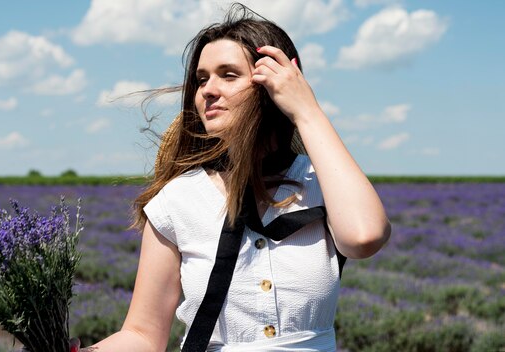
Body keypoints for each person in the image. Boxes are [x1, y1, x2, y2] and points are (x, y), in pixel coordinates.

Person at [85, 3, 391, 351]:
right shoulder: (177, 200)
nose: (207, 90)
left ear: (275, 85)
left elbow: (364, 237)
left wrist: (306, 110)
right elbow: (142, 334)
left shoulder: (321, 182)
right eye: (201, 79)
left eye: (228, 75)